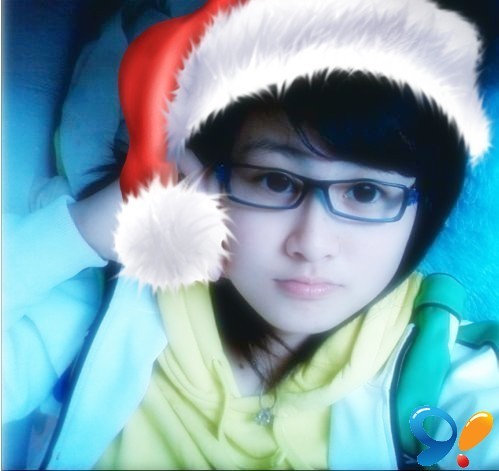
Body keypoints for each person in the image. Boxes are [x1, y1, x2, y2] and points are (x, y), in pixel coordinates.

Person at [4, 0, 499, 469]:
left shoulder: (444, 378)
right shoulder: (104, 302)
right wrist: (84, 232)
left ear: (424, 207)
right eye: (275, 181)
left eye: (366, 193)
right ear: (204, 176)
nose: (312, 243)